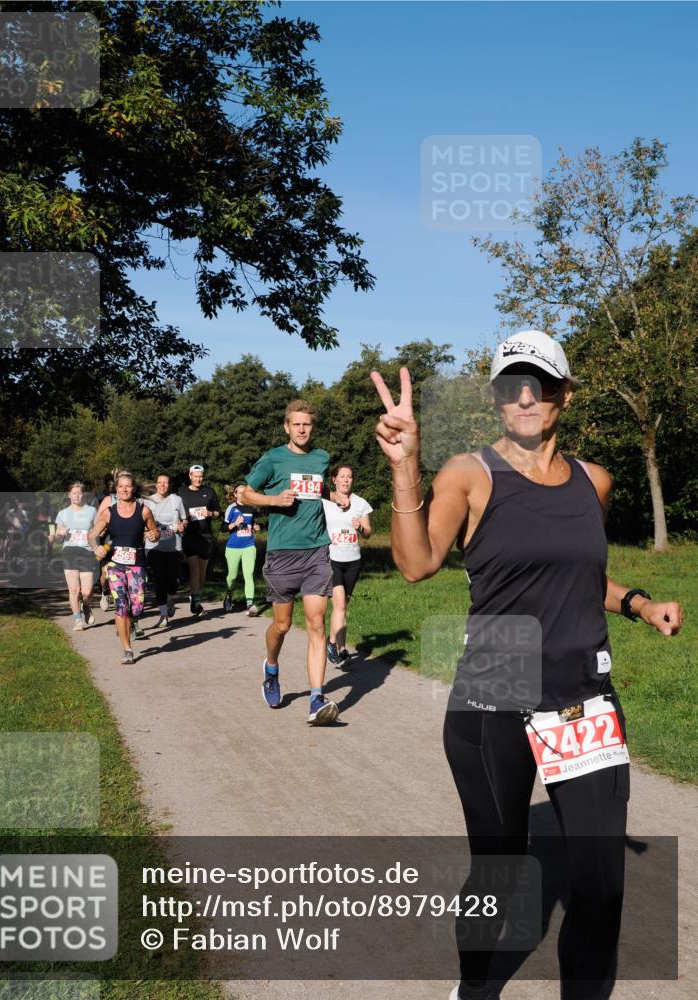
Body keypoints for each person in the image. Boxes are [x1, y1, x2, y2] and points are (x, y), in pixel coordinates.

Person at [371, 330, 684, 1000]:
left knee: (600, 889)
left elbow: (577, 575)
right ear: (495, 399)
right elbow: (416, 563)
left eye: (539, 385)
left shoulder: (594, 482)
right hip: (495, 691)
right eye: (511, 385)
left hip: (583, 696)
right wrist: (406, 466)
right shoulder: (468, 475)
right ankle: (475, 986)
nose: (525, 398)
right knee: (501, 871)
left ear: (563, 397)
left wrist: (636, 602)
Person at [239, 400, 339, 725]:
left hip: (316, 551)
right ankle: (271, 667)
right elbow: (243, 493)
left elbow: (317, 490)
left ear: (312, 426)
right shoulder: (272, 459)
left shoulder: (322, 458)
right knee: (281, 626)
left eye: (307, 424)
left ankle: (316, 698)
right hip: (282, 554)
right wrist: (272, 500)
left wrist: (334, 497)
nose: (302, 429)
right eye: (296, 424)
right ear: (286, 426)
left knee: (316, 624)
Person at [88, 472, 159, 664]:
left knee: (137, 607)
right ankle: (127, 649)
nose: (124, 489)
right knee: (121, 605)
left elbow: (154, 531)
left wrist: (154, 535)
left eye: (128, 486)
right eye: (121, 487)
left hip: (137, 564)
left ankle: (130, 622)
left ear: (134, 488)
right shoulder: (108, 512)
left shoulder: (143, 511)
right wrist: (97, 547)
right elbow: (92, 534)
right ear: (116, 489)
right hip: (115, 564)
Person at [321, 465, 373, 665]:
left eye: (349, 477)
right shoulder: (326, 502)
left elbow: (368, 533)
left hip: (353, 561)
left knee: (342, 608)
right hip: (332, 558)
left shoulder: (360, 503)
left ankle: (342, 648)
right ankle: (332, 644)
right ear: (334, 479)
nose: (346, 480)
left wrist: (360, 526)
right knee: (340, 604)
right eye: (342, 476)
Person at [178, 464, 221, 616]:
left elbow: (218, 512)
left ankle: (194, 594)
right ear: (190, 476)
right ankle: (196, 602)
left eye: (200, 476)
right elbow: (176, 511)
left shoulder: (209, 492)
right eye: (195, 476)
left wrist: (210, 513)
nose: (198, 479)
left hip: (206, 536)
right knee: (194, 568)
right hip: (189, 535)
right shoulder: (181, 492)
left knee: (202, 572)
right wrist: (181, 521)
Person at [144, 474, 186, 629]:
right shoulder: (147, 501)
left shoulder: (177, 499)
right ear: (156, 485)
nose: (162, 485)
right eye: (159, 483)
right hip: (153, 547)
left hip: (174, 546)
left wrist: (182, 525)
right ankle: (163, 615)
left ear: (170, 485)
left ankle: (170, 598)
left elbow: (184, 519)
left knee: (173, 581)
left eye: (165, 483)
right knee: (160, 579)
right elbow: (142, 522)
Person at [55, 482, 98, 632]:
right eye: (74, 493)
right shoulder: (62, 514)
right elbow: (58, 538)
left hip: (86, 552)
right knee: (73, 589)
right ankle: (78, 619)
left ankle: (86, 605)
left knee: (87, 591)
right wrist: (59, 534)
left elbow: (98, 530)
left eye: (79, 493)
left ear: (83, 495)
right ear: (69, 495)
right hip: (69, 552)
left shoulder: (92, 511)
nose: (77, 495)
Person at [221, 484, 260, 616]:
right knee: (231, 577)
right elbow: (223, 528)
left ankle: (250, 604)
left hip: (249, 545)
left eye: (245, 492)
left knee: (248, 575)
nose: (243, 495)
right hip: (233, 547)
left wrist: (256, 527)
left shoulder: (252, 508)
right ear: (236, 494)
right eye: (240, 492)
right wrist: (235, 524)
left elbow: (252, 523)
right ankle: (229, 596)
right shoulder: (231, 508)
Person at [95, 475, 116, 611]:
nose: (111, 486)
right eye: (109, 484)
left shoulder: (129, 498)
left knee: (114, 568)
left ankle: (118, 593)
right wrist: (99, 530)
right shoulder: (100, 498)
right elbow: (96, 517)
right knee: (104, 570)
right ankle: (104, 592)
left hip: (119, 538)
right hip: (105, 537)